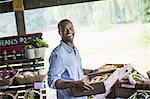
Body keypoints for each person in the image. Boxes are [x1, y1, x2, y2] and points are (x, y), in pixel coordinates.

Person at [47, 19, 94, 99]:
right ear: (60, 33)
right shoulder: (58, 54)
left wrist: (92, 72)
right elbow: (52, 81)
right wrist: (75, 84)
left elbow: (74, 69)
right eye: (65, 30)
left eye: (71, 28)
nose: (69, 32)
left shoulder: (74, 49)